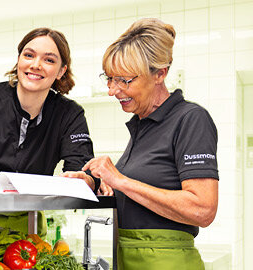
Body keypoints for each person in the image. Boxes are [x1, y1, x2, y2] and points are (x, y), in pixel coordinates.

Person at [74, 18, 219, 270]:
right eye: (109, 79)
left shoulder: (190, 119)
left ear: (159, 74)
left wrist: (121, 180)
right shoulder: (142, 124)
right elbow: (144, 191)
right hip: (130, 258)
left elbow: (203, 209)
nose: (112, 90)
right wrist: (98, 183)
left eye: (124, 80)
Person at [0, 27, 105, 194]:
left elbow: (82, 169)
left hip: (33, 216)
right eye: (29, 55)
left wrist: (88, 180)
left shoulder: (69, 114)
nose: (36, 65)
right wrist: (20, 188)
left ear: (61, 71)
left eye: (49, 60)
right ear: (19, 59)